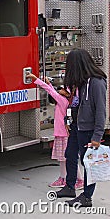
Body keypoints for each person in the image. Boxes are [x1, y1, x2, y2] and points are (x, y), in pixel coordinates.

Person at [55, 48, 107, 207]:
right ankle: (70, 186)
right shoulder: (81, 83)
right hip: (77, 126)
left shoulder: (96, 83)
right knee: (70, 154)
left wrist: (97, 137)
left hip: (89, 129)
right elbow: (76, 105)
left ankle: (87, 196)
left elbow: (101, 111)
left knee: (88, 163)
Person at [27, 73, 83, 190]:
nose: (60, 90)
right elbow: (54, 92)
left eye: (63, 88)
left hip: (63, 133)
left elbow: (51, 92)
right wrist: (49, 83)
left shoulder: (63, 100)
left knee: (69, 157)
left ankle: (79, 179)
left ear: (68, 92)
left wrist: (36, 80)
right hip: (63, 133)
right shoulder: (68, 100)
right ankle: (63, 178)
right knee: (63, 158)